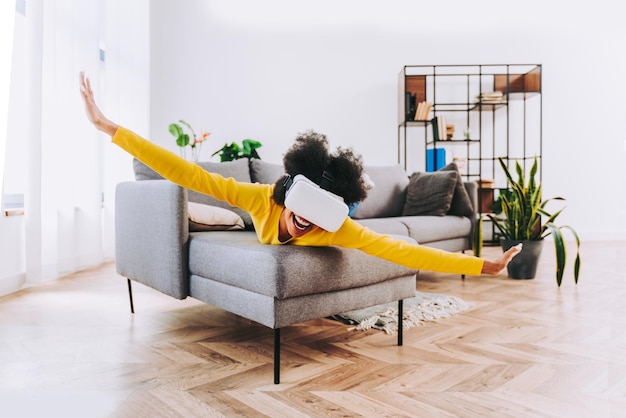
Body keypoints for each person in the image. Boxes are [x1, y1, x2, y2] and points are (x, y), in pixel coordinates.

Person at [79, 72, 521, 276]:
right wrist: (110, 128)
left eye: (314, 214)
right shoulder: (260, 199)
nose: (304, 221)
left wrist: (485, 265)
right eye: (303, 209)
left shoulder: (335, 226)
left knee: (345, 211)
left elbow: (402, 251)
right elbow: (190, 174)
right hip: (292, 195)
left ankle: (342, 197)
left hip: (340, 207)